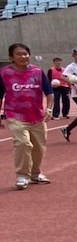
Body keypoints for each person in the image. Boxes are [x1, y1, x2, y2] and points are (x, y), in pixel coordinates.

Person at [0, 43, 53, 189]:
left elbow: (49, 92)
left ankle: (35, 173)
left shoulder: (37, 71)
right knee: (23, 143)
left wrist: (48, 109)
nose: (23, 56)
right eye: (19, 54)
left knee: (39, 147)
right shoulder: (4, 74)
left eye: (25, 54)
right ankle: (22, 175)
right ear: (11, 57)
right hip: (14, 115)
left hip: (37, 116)